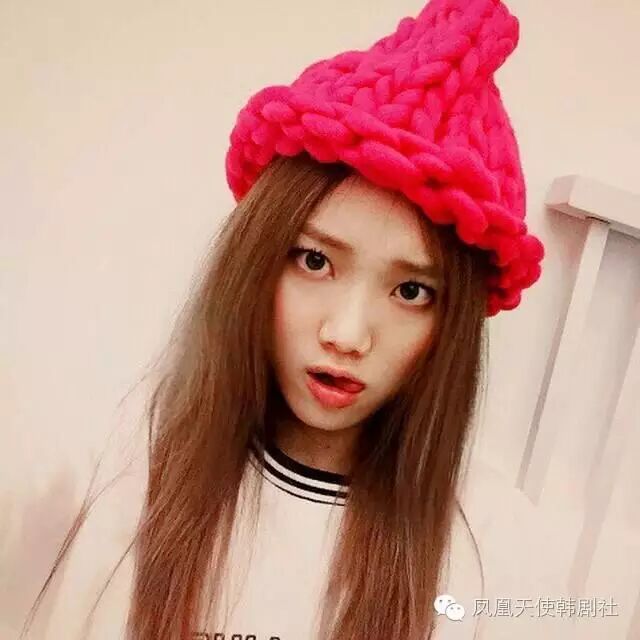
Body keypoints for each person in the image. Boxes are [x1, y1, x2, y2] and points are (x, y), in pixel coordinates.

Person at [24, 0, 545, 639]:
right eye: (315, 260)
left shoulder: (494, 545)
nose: (346, 335)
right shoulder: (128, 473)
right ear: (257, 259)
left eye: (411, 291)